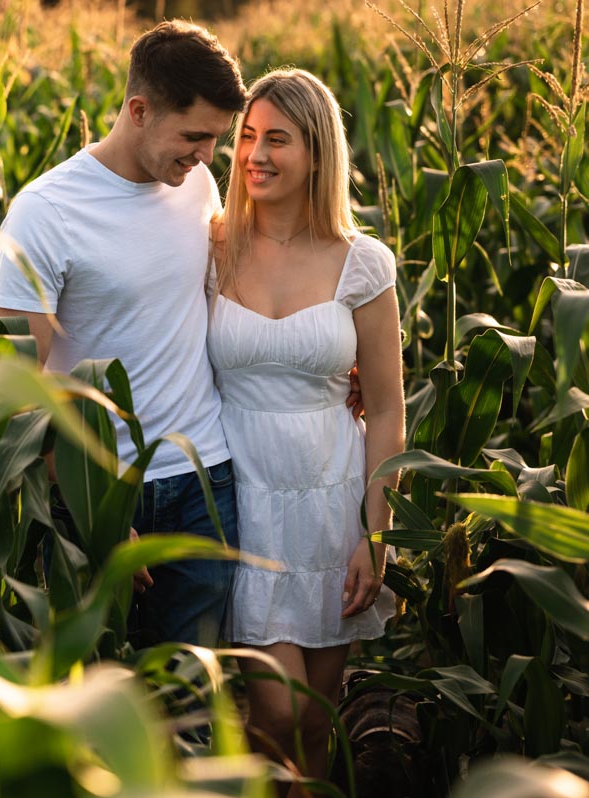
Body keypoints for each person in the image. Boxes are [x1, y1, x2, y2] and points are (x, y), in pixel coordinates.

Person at [0, 20, 247, 648]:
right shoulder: (46, 211)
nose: (207, 156)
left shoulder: (195, 186)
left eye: (216, 139)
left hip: (203, 482)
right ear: (139, 110)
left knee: (190, 694)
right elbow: (33, 380)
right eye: (194, 136)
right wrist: (89, 509)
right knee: (99, 691)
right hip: (101, 490)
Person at [206, 68, 404, 793]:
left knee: (316, 721)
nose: (254, 154)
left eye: (276, 140)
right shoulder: (211, 249)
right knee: (275, 710)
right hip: (243, 500)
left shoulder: (363, 265)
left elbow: (385, 407)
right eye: (247, 138)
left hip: (329, 501)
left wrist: (374, 535)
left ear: (317, 152)